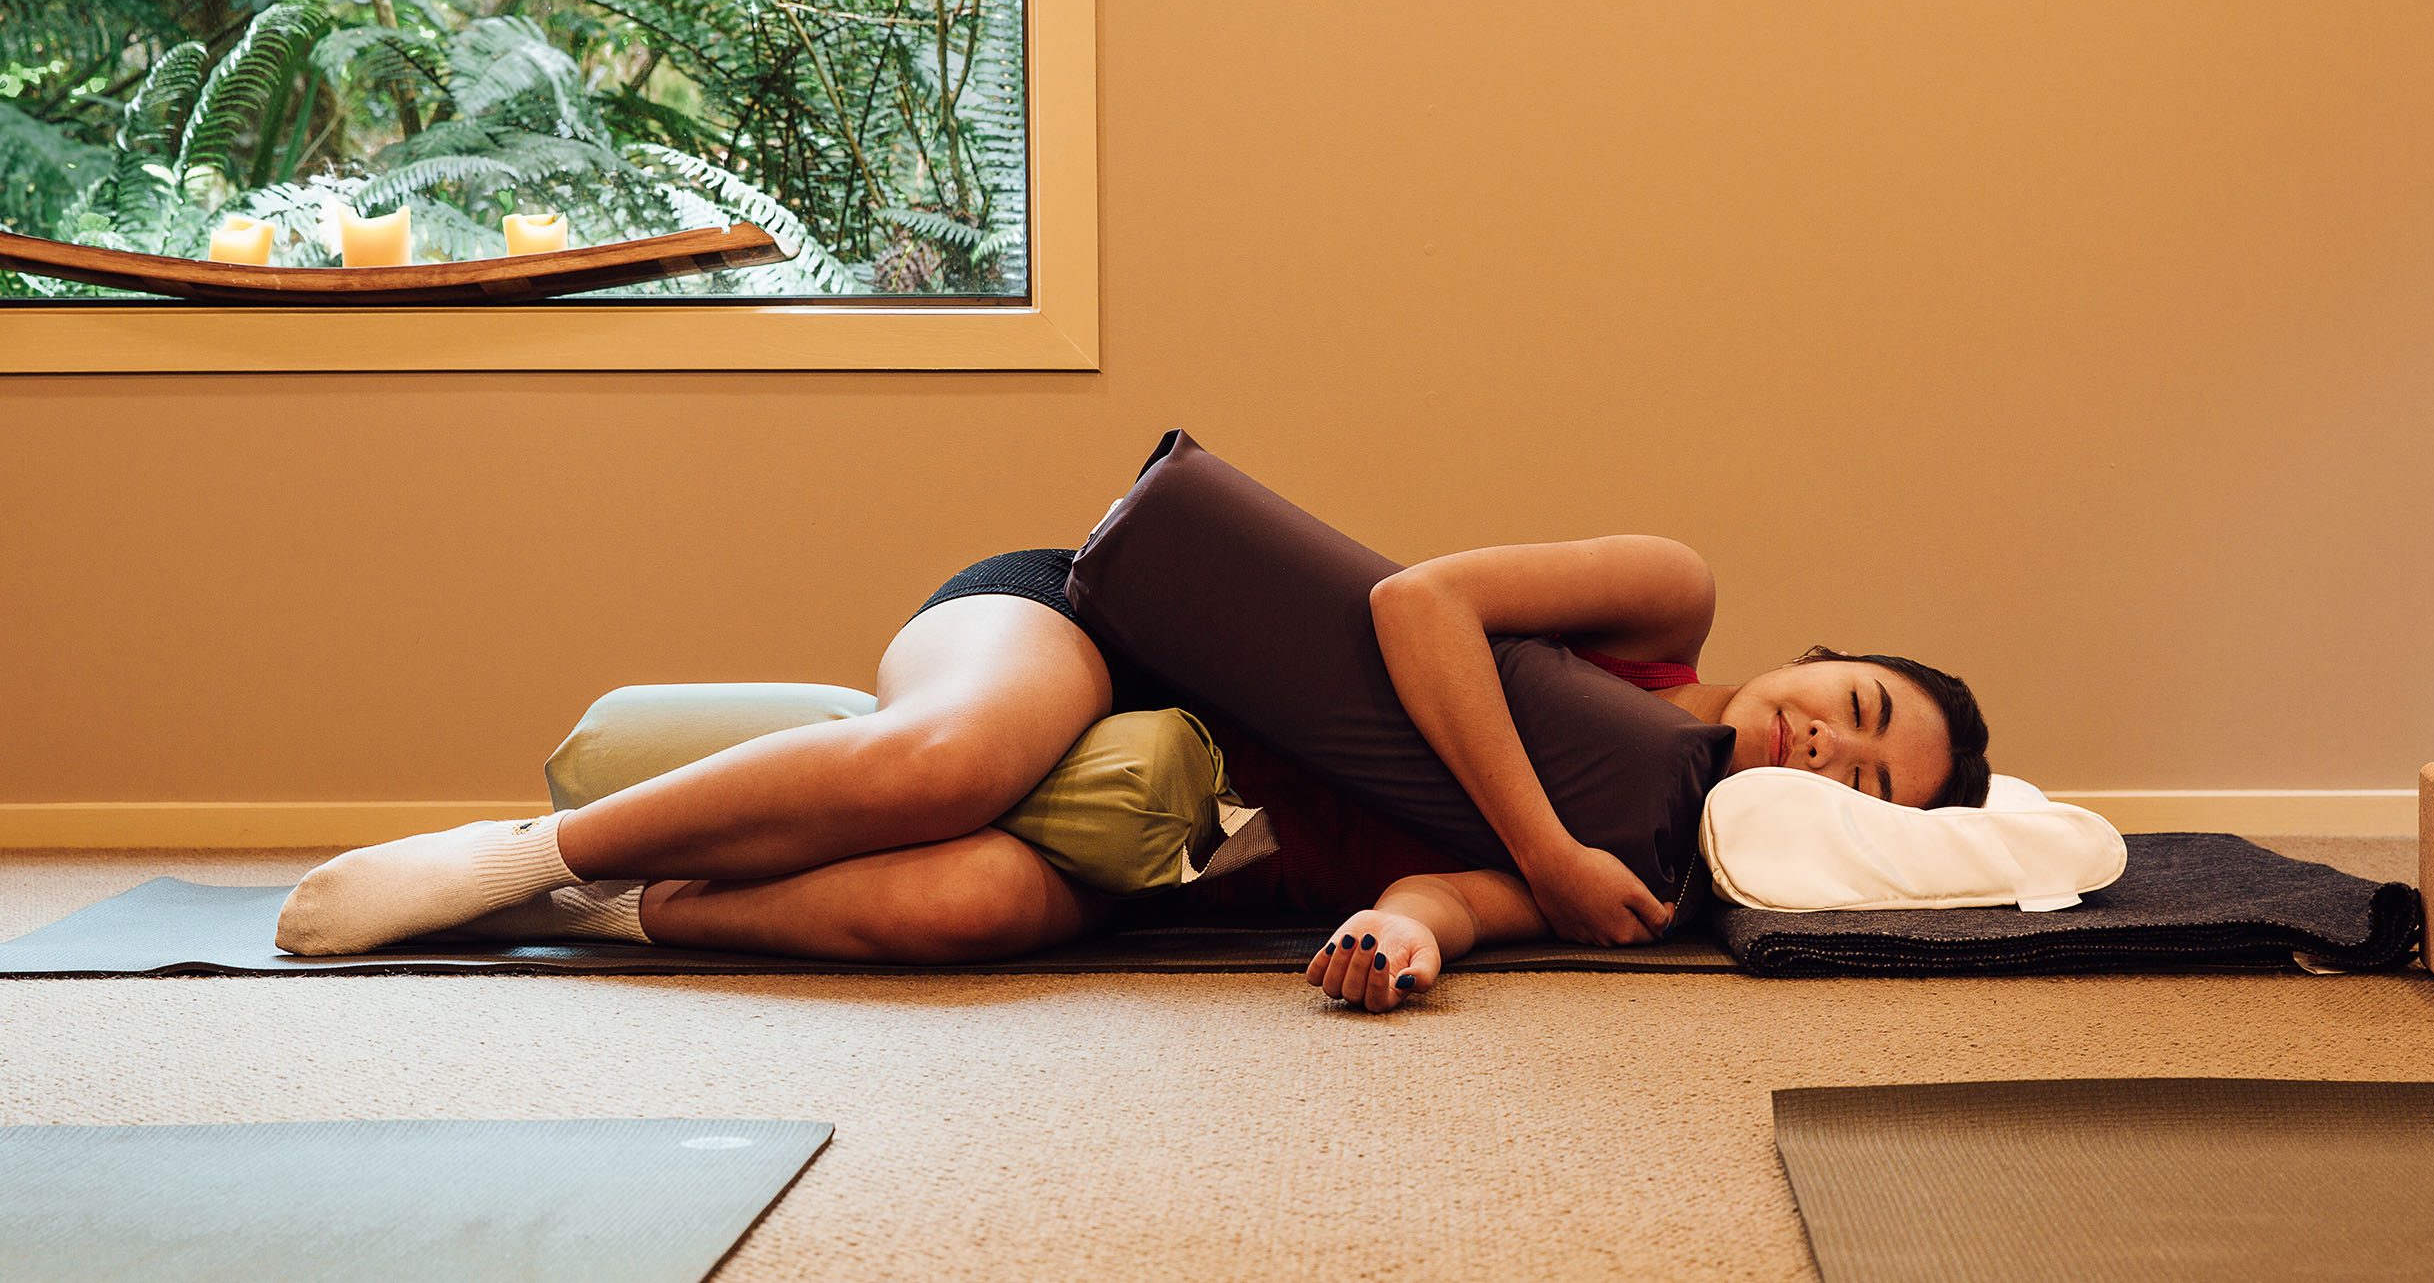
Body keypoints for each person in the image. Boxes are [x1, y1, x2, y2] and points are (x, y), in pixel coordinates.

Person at [276, 536, 1991, 1013]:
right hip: (1094, 638)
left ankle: (619, 913)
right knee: (957, 759)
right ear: (1806, 654)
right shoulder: (1667, 603)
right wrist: (1541, 836)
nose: (1826, 740)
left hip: (1157, 841)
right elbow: (1420, 599)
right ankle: (522, 852)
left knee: (973, 909)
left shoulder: (1648, 878)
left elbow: (1445, 896)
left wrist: (1414, 940)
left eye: (1868, 776)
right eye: (1848, 697)